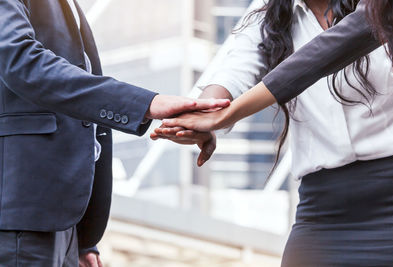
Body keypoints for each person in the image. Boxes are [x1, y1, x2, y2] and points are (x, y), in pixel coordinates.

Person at [153, 0, 393, 265]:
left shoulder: (381, 6)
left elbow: (323, 54)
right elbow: (232, 71)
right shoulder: (269, 14)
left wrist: (228, 113)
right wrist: (201, 113)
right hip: (323, 213)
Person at [0, 1, 230, 266]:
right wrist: (145, 104)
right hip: (21, 212)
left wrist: (83, 238)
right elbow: (19, 60)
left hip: (63, 224)